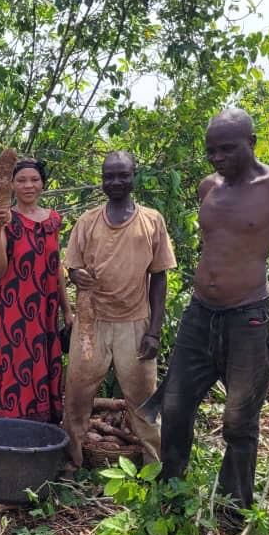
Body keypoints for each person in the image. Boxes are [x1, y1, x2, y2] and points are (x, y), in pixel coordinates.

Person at [155, 108, 269, 512]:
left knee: (239, 418)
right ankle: (170, 495)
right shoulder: (209, 187)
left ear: (251, 143)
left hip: (248, 317)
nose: (218, 158)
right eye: (211, 151)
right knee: (174, 404)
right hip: (200, 313)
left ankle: (233, 507)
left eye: (227, 149)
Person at [62, 151, 177, 469]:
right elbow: (72, 267)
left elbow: (159, 277)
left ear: (133, 176)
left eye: (122, 175)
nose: (115, 182)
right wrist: (76, 276)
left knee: (143, 401)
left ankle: (156, 468)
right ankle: (73, 462)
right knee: (76, 397)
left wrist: (154, 330)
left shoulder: (151, 220)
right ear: (102, 180)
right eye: (108, 176)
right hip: (91, 323)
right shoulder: (87, 221)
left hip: (134, 324)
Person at [0, 156, 72, 422]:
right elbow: (0, 269)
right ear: (11, 185)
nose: (28, 185)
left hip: (44, 309)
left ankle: (38, 429)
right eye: (21, 180)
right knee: (13, 369)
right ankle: (7, 428)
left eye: (34, 179)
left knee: (41, 365)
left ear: (43, 184)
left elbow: (56, 266)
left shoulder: (53, 220)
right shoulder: (5, 217)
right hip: (12, 311)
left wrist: (67, 310)